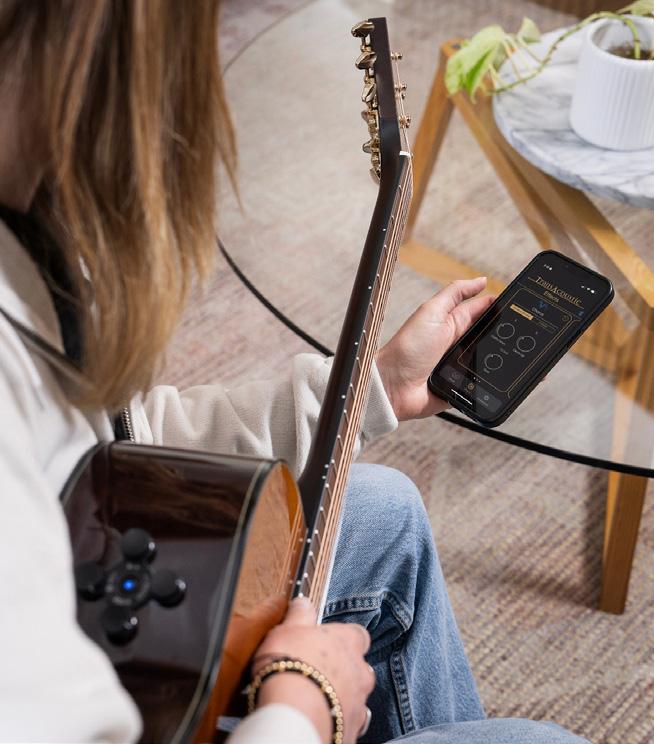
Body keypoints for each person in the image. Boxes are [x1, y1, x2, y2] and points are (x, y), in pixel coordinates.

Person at [0, 2, 588, 743]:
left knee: (386, 514)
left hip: (92, 585)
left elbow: (123, 451)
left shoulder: (24, 243)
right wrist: (306, 704)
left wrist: (373, 387)